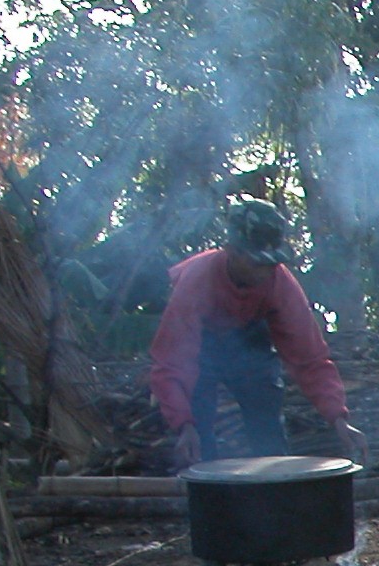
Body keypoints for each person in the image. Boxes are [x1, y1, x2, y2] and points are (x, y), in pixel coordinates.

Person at [149, 198, 366, 465]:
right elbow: (171, 363)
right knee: (199, 421)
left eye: (271, 263)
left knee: (266, 414)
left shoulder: (280, 283)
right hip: (200, 348)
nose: (265, 271)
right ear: (231, 251)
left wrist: (338, 417)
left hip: (249, 343)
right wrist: (184, 424)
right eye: (256, 262)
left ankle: (273, 487)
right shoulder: (197, 282)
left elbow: (310, 358)